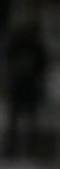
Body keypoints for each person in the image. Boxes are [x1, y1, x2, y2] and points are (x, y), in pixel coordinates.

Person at [4, 14, 48, 160]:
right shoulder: (16, 45)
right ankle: (13, 147)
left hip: (30, 85)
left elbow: (43, 65)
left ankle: (30, 146)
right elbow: (9, 63)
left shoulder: (36, 46)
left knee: (31, 119)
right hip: (19, 85)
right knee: (15, 119)